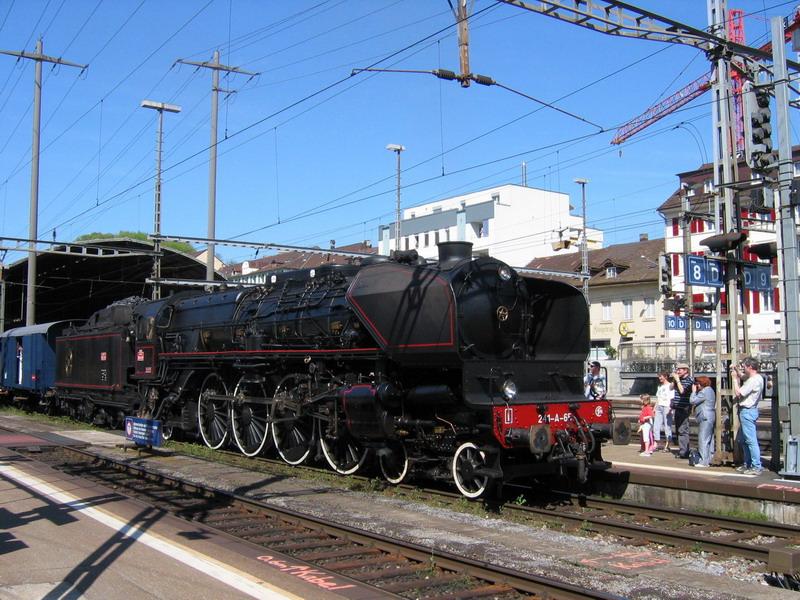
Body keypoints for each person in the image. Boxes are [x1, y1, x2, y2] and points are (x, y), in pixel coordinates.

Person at [731, 357, 765, 476]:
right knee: (744, 439)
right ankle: (748, 463)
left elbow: (739, 393)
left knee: (750, 440)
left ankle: (756, 466)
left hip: (747, 411)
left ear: (750, 367)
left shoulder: (753, 381)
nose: (743, 369)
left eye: (744, 367)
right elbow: (744, 376)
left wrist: (734, 379)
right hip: (749, 411)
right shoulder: (757, 378)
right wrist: (737, 370)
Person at [690, 376, 716, 468]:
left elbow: (692, 401)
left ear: (701, 383)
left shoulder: (704, 391)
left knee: (703, 439)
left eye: (697, 384)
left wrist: (693, 391)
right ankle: (709, 459)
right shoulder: (710, 390)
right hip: (710, 416)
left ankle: (703, 461)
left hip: (705, 417)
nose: (697, 385)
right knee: (709, 439)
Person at [671, 362, 694, 459]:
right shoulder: (678, 380)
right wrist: (674, 380)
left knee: (683, 430)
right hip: (677, 408)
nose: (678, 371)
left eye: (679, 369)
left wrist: (678, 380)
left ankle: (684, 452)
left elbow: (682, 391)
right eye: (677, 369)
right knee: (678, 430)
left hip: (684, 408)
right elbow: (670, 387)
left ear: (686, 370)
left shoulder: (690, 380)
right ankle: (682, 449)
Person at [653, 371, 674, 452]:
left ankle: (667, 445)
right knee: (656, 425)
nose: (659, 378)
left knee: (667, 426)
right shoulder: (660, 386)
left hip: (666, 406)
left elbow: (672, 398)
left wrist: (670, 407)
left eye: (661, 376)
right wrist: (655, 408)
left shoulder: (670, 386)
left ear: (666, 376)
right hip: (659, 406)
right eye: (659, 376)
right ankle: (656, 443)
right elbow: (658, 398)